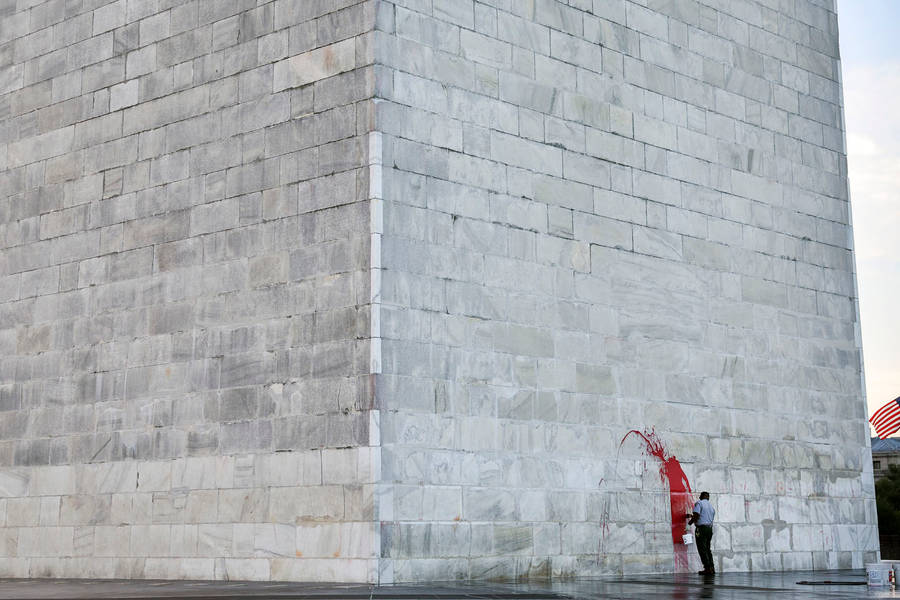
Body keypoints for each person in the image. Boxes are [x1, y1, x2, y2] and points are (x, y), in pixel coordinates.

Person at [688, 491, 716, 575]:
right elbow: (704, 516)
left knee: (702, 549)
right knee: (707, 549)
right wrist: (691, 516)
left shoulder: (699, 503)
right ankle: (711, 567)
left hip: (701, 529)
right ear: (708, 497)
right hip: (709, 529)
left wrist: (689, 524)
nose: (699, 497)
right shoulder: (711, 506)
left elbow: (697, 515)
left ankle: (707, 568)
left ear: (702, 496)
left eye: (700, 495)